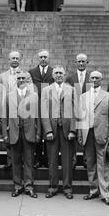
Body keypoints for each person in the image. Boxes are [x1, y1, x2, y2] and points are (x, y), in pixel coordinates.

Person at [77, 71, 109, 207]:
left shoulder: (108, 96)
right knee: (91, 164)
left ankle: (105, 194)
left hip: (102, 135)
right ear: (89, 79)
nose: (94, 80)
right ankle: (93, 190)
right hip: (88, 134)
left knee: (103, 165)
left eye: (97, 78)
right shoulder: (83, 97)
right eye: (92, 78)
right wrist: (80, 135)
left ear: (101, 79)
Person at [2, 70, 41, 198]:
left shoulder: (34, 96)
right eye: (19, 78)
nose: (22, 80)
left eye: (24, 78)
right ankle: (18, 186)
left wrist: (38, 133)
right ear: (15, 81)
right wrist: (5, 134)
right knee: (16, 161)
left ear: (28, 80)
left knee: (29, 161)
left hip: (29, 132)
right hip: (14, 133)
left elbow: (38, 117)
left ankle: (29, 186)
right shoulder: (9, 96)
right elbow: (4, 116)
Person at [41, 65, 76, 199]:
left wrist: (73, 130)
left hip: (67, 131)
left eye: (61, 73)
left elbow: (76, 110)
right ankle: (53, 187)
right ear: (52, 75)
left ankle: (67, 188)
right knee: (52, 160)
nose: (59, 75)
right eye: (56, 73)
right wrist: (48, 130)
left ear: (65, 74)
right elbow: (43, 111)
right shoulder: (46, 90)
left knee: (67, 161)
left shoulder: (71, 89)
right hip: (52, 130)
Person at [0, 50, 25, 171]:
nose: (14, 60)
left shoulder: (25, 74)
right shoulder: (3, 76)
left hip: (21, 109)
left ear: (20, 60)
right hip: (7, 108)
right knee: (8, 135)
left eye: (16, 58)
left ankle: (21, 161)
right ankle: (10, 161)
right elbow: (0, 94)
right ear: (8, 60)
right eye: (12, 58)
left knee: (20, 136)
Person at [29, 49, 54, 169]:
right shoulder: (32, 72)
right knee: (37, 133)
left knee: (49, 133)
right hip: (36, 106)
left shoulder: (54, 72)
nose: (43, 59)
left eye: (45, 57)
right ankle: (38, 159)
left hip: (49, 107)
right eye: (41, 57)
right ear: (38, 59)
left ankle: (49, 160)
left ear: (48, 58)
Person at [65, 53, 91, 169]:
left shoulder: (91, 77)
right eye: (79, 61)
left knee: (87, 135)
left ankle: (86, 159)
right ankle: (73, 160)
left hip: (87, 112)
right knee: (73, 135)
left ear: (87, 62)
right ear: (76, 63)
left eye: (83, 61)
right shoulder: (70, 78)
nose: (81, 63)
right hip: (74, 112)